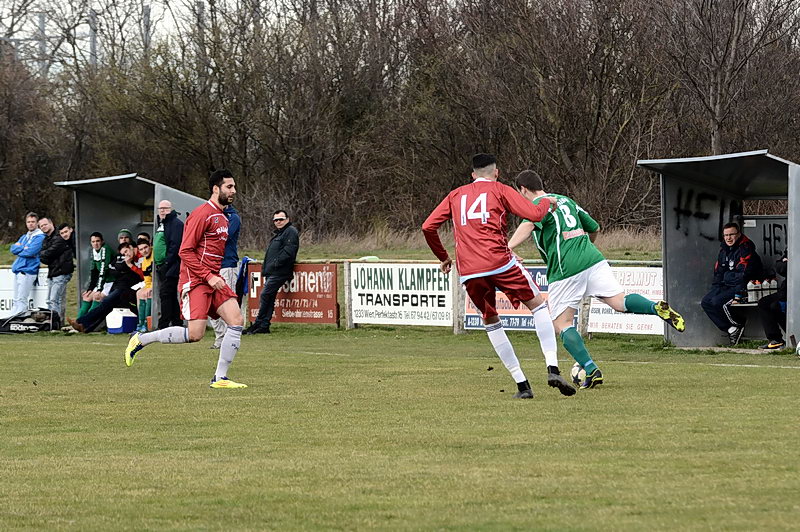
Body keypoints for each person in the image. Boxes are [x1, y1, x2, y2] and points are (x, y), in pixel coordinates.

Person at [509, 170, 685, 389]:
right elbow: (594, 228)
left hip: (566, 268)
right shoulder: (565, 200)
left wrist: (508, 247)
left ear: (522, 189)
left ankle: (591, 369)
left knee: (561, 324)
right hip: (593, 259)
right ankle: (655, 307)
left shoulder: (538, 205)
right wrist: (584, 248)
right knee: (620, 302)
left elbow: (528, 225)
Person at [422, 154, 576, 399]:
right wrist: (548, 203)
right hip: (499, 262)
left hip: (470, 271)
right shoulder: (500, 189)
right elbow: (535, 214)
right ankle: (552, 368)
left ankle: (522, 385)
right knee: (538, 306)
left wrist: (444, 257)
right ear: (496, 173)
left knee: (491, 321)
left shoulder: (455, 195)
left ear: (473, 175)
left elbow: (428, 226)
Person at [124, 169, 247, 389]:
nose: (233, 191)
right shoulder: (202, 214)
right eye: (229, 187)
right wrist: (208, 276)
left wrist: (214, 275)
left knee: (236, 320)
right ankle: (141, 339)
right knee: (195, 334)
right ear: (216, 189)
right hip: (197, 280)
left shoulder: (224, 216)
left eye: (234, 187)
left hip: (214, 279)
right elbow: (185, 251)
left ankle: (220, 378)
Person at [700, 222, 763, 346]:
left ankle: (738, 323)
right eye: (726, 235)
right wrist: (716, 288)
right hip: (726, 286)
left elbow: (743, 275)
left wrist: (728, 279)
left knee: (717, 302)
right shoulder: (723, 251)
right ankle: (732, 329)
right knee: (706, 302)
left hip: (744, 288)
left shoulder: (746, 250)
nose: (728, 238)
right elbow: (718, 273)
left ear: (738, 234)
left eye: (731, 235)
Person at [244, 209, 299, 335]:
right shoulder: (279, 234)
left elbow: (289, 252)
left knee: (265, 295)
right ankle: (264, 326)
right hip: (273, 271)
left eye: (281, 219)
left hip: (280, 271)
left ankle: (258, 323)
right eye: (276, 220)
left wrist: (275, 264)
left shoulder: (290, 231)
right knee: (269, 297)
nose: (278, 222)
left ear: (287, 219)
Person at [69, 242, 144, 332]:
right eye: (123, 254)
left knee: (106, 302)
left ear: (131, 247)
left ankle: (81, 322)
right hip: (121, 285)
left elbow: (141, 274)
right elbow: (114, 269)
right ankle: (86, 327)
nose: (126, 255)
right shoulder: (128, 258)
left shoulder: (139, 257)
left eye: (126, 251)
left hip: (128, 287)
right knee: (107, 306)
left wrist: (129, 265)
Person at [210, 204, 241, 348]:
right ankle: (220, 337)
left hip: (227, 264)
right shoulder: (210, 215)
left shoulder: (233, 217)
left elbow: (223, 238)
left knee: (227, 302)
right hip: (211, 266)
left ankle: (230, 337)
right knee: (211, 301)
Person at [153, 200, 184, 328]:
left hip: (171, 265)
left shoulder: (176, 224)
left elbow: (175, 244)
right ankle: (177, 322)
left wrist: (167, 262)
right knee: (170, 294)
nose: (162, 211)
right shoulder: (162, 224)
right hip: (161, 266)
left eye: (165, 208)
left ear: (171, 209)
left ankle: (163, 324)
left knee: (165, 294)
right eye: (160, 208)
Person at [38, 217, 75, 322]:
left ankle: (56, 323)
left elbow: (49, 253)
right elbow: (43, 257)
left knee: (54, 300)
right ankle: (55, 322)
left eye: (45, 224)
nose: (44, 227)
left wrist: (45, 254)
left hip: (61, 272)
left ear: (51, 223)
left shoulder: (59, 237)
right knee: (50, 300)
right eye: (41, 226)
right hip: (52, 272)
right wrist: (45, 254)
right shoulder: (46, 239)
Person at [10, 212, 46, 315]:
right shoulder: (24, 237)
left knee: (22, 299)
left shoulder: (40, 237)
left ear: (37, 223)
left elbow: (30, 252)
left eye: (33, 222)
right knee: (16, 299)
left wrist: (20, 248)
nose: (30, 224)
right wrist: (23, 247)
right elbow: (13, 249)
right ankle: (13, 318)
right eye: (28, 222)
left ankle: (19, 318)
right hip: (18, 270)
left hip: (28, 271)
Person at [78, 232, 116, 318]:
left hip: (110, 281)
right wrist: (90, 288)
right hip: (102, 282)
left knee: (97, 297)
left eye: (98, 241)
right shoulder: (93, 251)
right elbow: (94, 271)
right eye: (93, 242)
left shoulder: (105, 249)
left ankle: (86, 322)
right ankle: (77, 321)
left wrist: (99, 289)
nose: (95, 244)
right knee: (87, 297)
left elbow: (103, 269)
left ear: (102, 241)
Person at [758, 248, 788, 349]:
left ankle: (794, 336)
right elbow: (780, 267)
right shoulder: (793, 246)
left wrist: (788, 263)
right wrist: (786, 264)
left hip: (796, 292)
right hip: (787, 290)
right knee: (763, 303)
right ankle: (776, 340)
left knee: (776, 306)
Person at [135, 238, 154, 332]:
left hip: (161, 283)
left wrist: (151, 287)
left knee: (148, 293)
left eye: (145, 247)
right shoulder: (144, 263)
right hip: (152, 284)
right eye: (141, 249)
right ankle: (141, 322)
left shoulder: (155, 255)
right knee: (139, 293)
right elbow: (147, 281)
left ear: (150, 246)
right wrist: (148, 287)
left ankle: (147, 323)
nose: (144, 251)